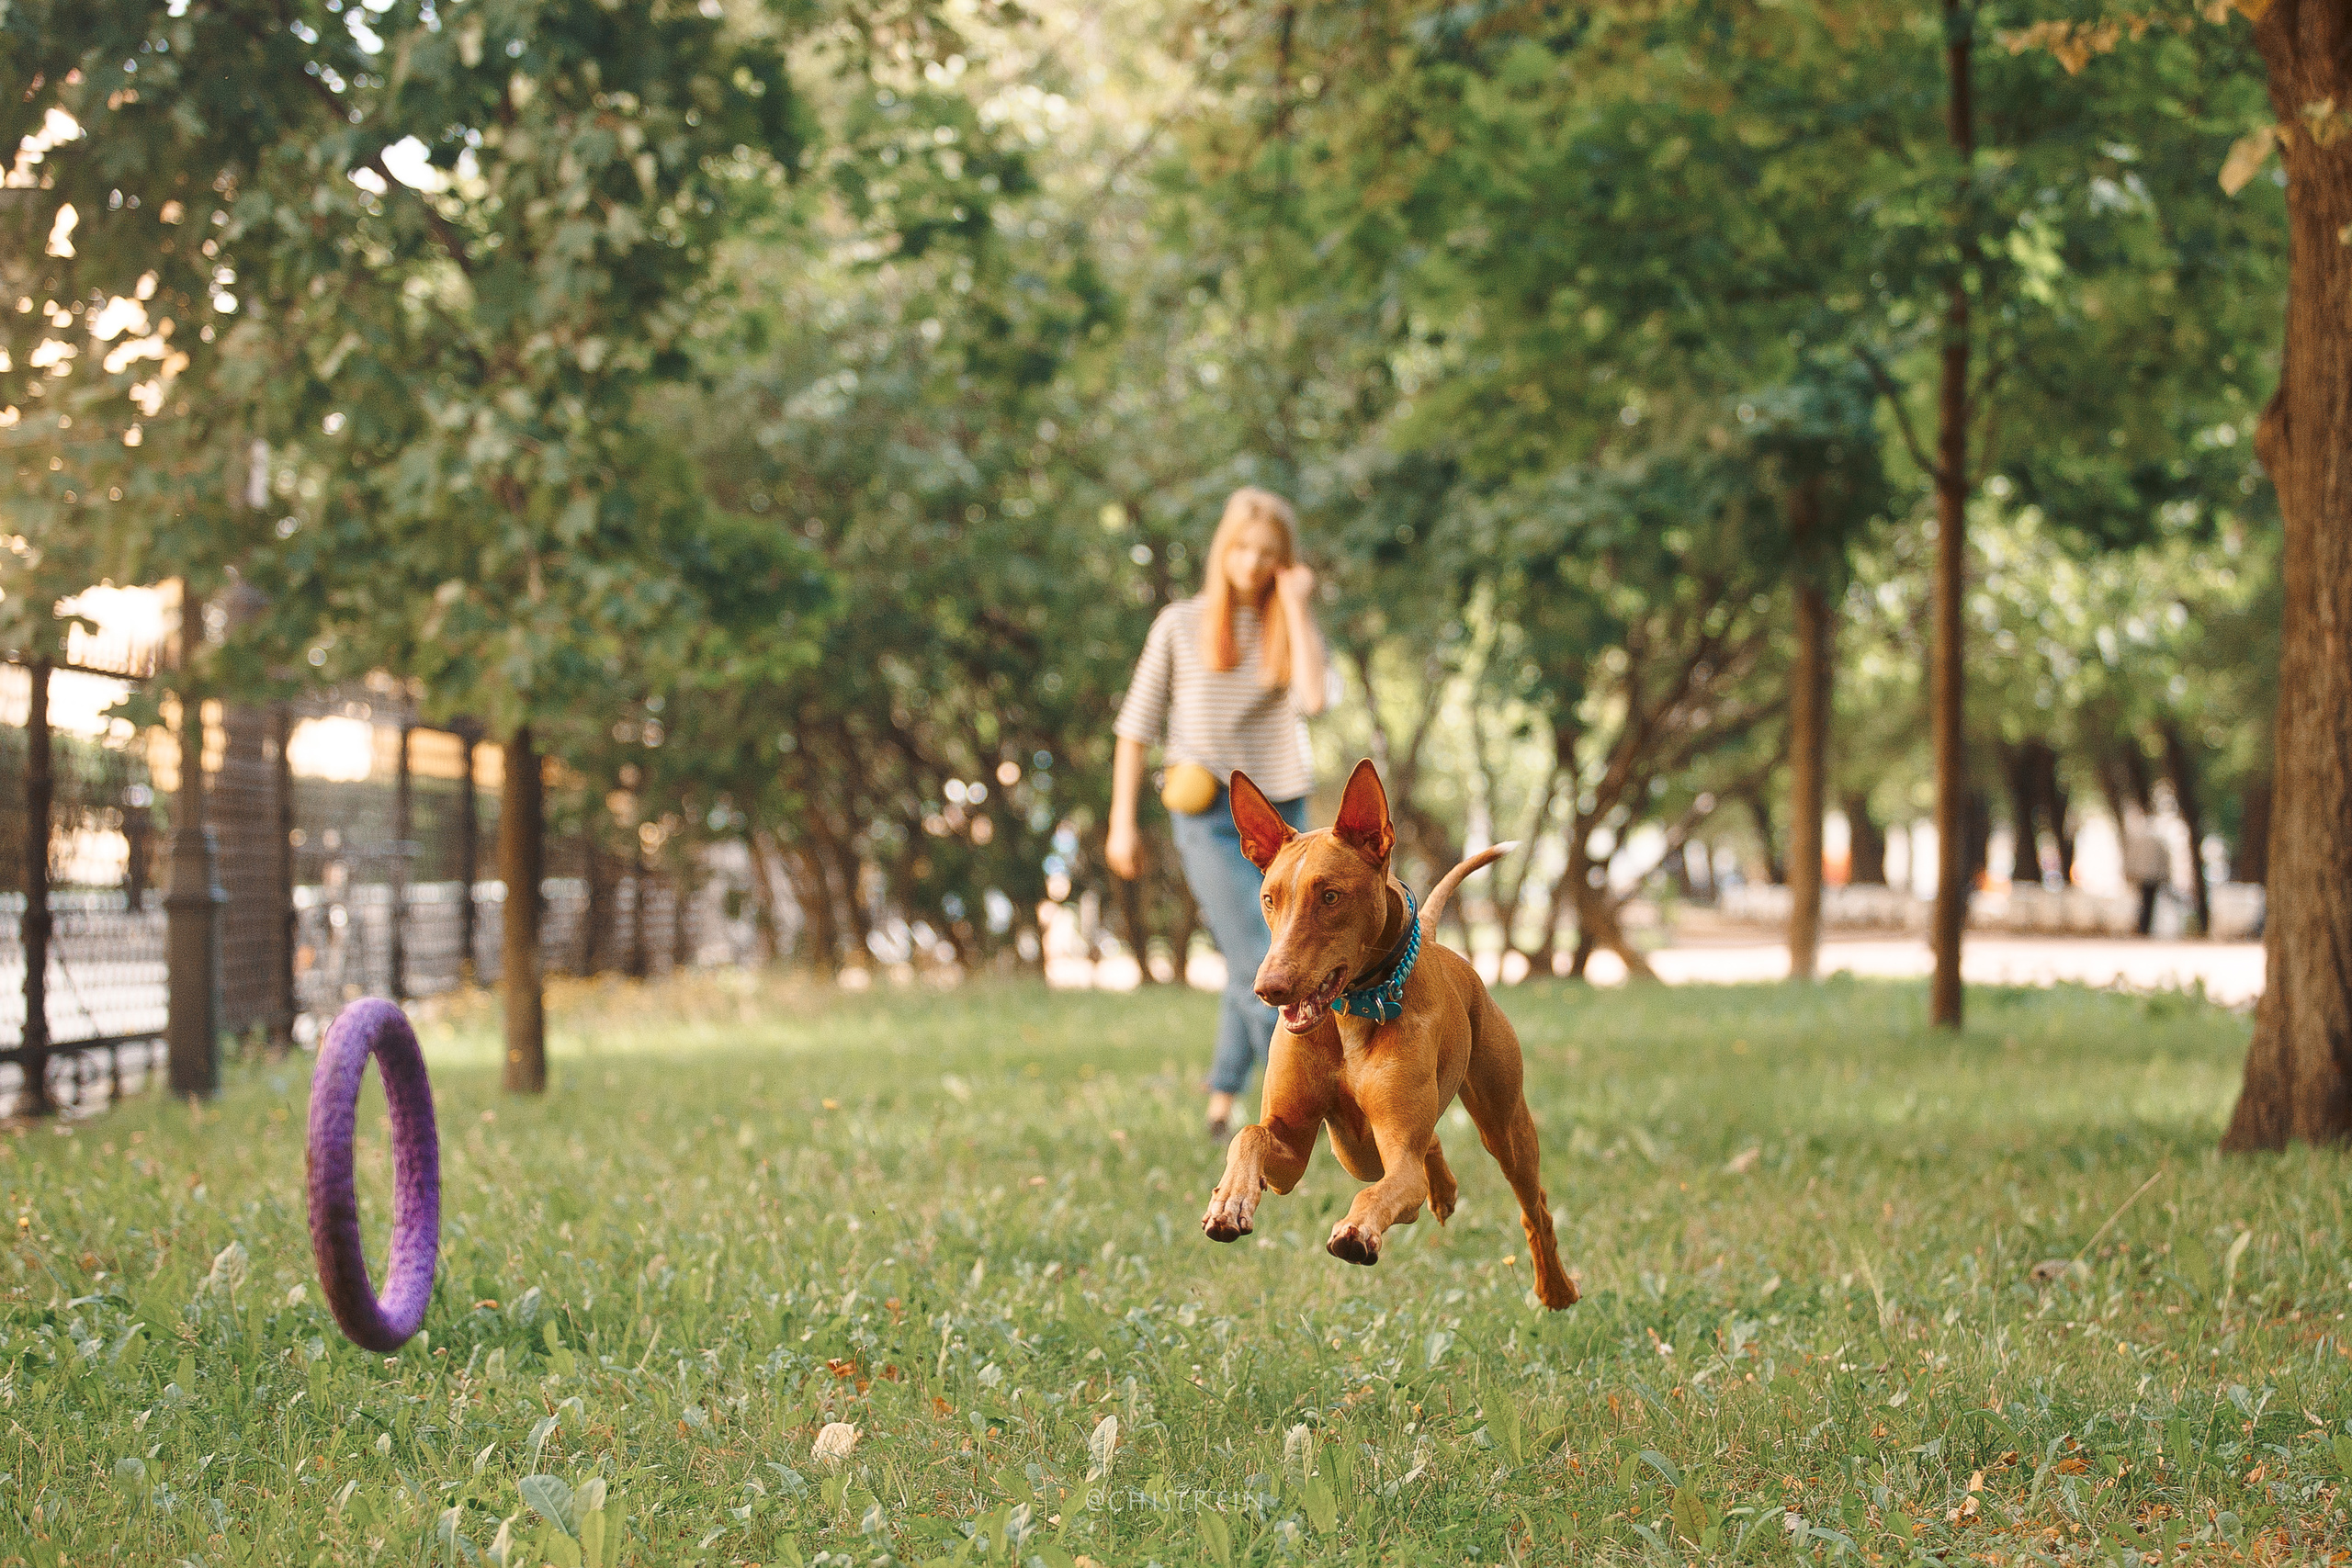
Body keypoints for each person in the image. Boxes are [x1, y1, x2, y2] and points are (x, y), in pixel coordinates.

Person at [1107, 487, 1329, 1140]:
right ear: (1221, 549)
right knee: (1262, 955)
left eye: (1269, 554)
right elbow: (1135, 726)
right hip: (1208, 815)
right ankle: (1299, 1112)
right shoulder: (1180, 623)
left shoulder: (1287, 622)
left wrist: (1296, 603)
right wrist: (1121, 821)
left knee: (1257, 956)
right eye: (1242, 549)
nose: (1254, 564)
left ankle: (1222, 1096)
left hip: (1284, 816)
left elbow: (1315, 699)